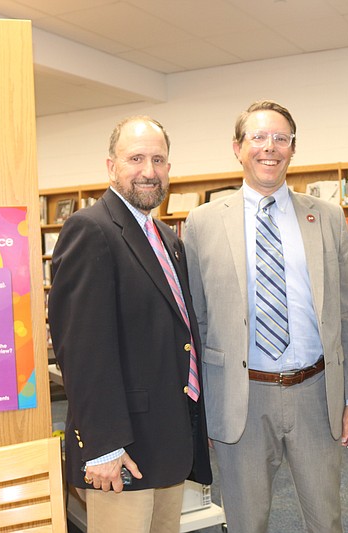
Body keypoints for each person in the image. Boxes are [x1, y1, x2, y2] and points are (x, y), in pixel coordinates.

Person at [184, 100, 348, 533]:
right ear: (238, 147)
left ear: (292, 148)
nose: (270, 148)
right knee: (247, 522)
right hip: (241, 400)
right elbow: (196, 322)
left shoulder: (327, 217)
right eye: (258, 137)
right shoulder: (202, 223)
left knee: (326, 520)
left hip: (316, 392)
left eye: (280, 139)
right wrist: (202, 410)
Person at [48, 116, 211, 533]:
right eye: (135, 158)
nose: (149, 171)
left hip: (167, 438)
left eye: (158, 159)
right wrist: (103, 447)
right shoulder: (90, 230)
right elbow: (81, 351)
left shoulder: (168, 240)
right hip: (122, 447)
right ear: (111, 166)